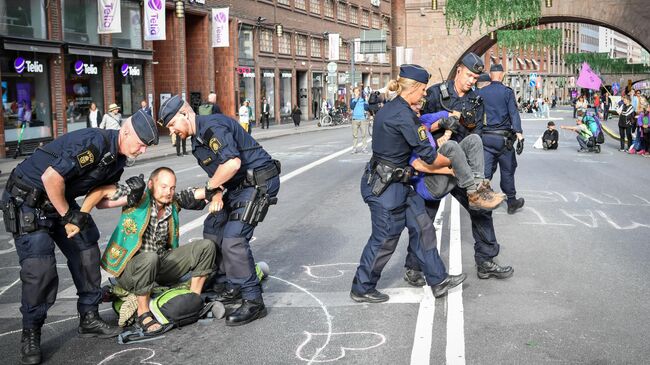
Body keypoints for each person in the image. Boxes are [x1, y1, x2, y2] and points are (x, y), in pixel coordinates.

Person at [0, 110, 158, 364]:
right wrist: (68, 216)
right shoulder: (94, 144)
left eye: (146, 147)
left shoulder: (117, 159)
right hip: (28, 200)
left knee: (87, 250)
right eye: (141, 144)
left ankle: (89, 318)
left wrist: (128, 196)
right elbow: (50, 178)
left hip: (58, 202)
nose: (142, 150)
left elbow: (98, 201)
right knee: (40, 269)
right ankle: (31, 332)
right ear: (126, 131)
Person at [158, 95, 281, 326]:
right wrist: (213, 194)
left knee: (233, 238)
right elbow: (217, 177)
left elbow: (232, 163)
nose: (172, 132)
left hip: (259, 181)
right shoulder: (196, 144)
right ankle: (228, 283)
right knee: (213, 227)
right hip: (236, 185)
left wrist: (206, 190)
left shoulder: (212, 127)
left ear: (185, 114)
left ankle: (254, 301)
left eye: (173, 125)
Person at [350, 64, 466, 304]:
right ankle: (362, 287)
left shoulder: (392, 108)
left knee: (423, 227)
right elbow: (430, 157)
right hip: (386, 188)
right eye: (423, 90)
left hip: (398, 185)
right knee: (385, 238)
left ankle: (438, 280)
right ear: (413, 88)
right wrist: (456, 164)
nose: (425, 95)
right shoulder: (404, 116)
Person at [70, 167, 216, 337]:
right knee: (149, 258)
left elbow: (203, 192)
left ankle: (194, 300)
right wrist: (81, 216)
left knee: (206, 246)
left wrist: (216, 196)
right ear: (151, 184)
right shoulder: (138, 196)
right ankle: (143, 313)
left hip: (159, 264)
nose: (168, 192)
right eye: (163, 187)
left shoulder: (172, 202)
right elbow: (100, 191)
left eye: (172, 188)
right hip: (130, 269)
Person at [406, 55, 514, 286]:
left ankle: (486, 261)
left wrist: (479, 173)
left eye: (475, 78)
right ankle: (414, 267)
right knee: (425, 218)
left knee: (481, 208)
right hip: (434, 166)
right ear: (459, 71)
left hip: (462, 167)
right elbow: (416, 124)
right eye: (468, 76)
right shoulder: (434, 94)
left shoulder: (476, 99)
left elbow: (479, 134)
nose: (471, 81)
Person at [477, 63, 525, 214]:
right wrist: (519, 133)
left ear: (491, 75)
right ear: (502, 74)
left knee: (485, 171)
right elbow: (513, 113)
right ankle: (511, 202)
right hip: (503, 139)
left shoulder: (481, 92)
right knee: (507, 170)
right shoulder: (507, 92)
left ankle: (482, 201)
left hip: (486, 138)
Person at [350, 87, 369, 154]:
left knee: (364, 135)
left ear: (359, 92)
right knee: (355, 135)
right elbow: (351, 107)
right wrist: (355, 99)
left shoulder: (363, 99)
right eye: (355, 92)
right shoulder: (352, 100)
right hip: (355, 119)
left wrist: (366, 101)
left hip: (362, 119)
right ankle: (354, 148)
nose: (356, 93)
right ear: (353, 93)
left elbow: (366, 108)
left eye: (357, 91)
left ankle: (364, 148)